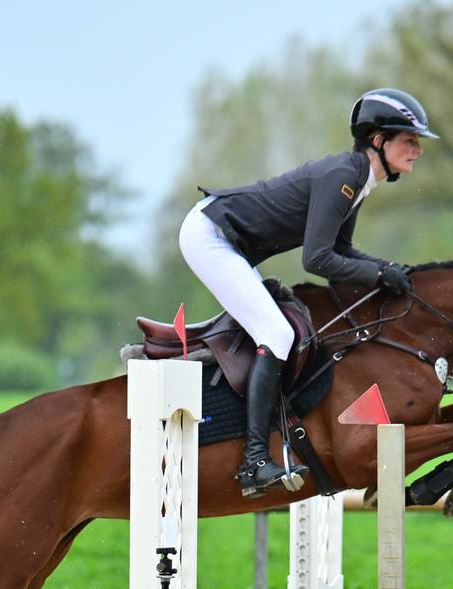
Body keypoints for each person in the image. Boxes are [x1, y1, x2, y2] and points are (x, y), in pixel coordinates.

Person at [179, 88, 439, 497]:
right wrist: (378, 275)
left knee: (279, 331)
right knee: (278, 334)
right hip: (210, 236)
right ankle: (253, 460)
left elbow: (343, 252)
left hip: (224, 238)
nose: (417, 150)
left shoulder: (357, 179)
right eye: (409, 140)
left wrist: (386, 269)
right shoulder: (344, 176)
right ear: (378, 140)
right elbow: (317, 260)